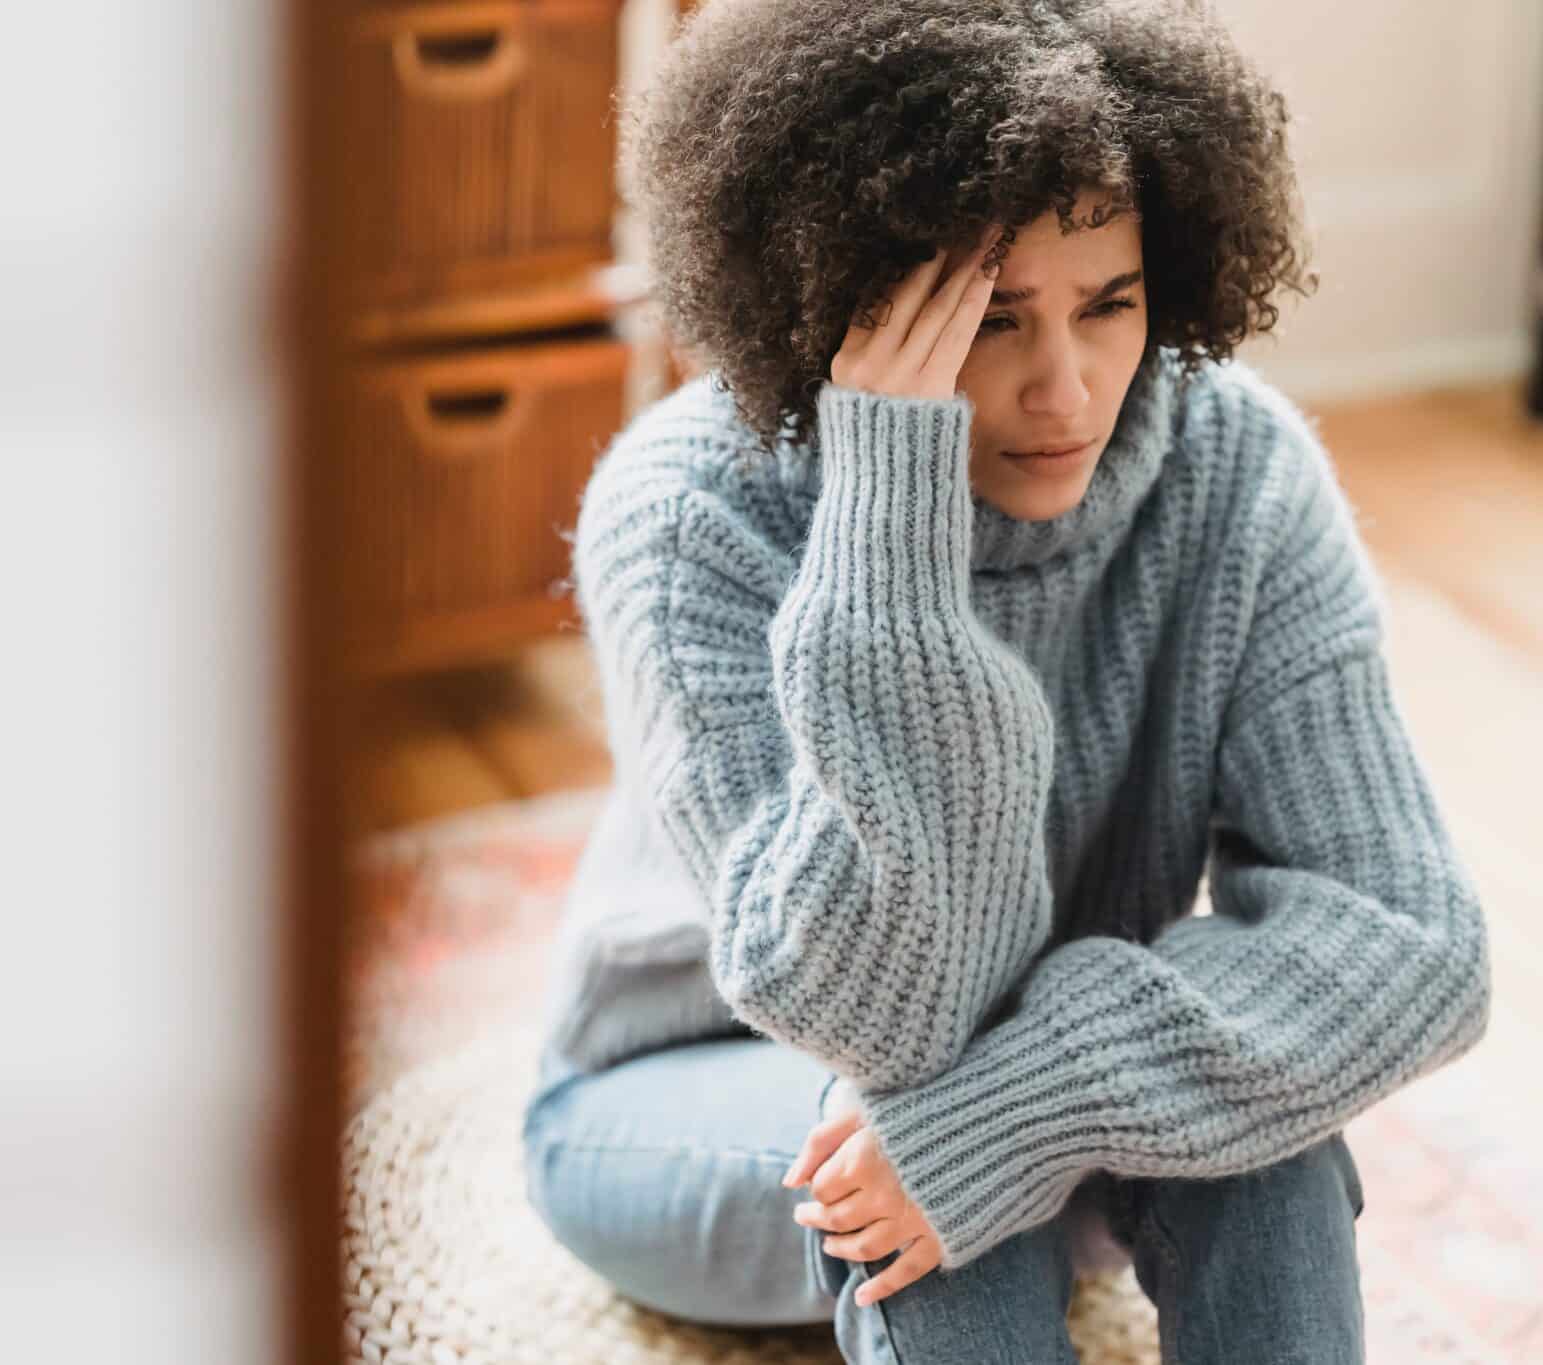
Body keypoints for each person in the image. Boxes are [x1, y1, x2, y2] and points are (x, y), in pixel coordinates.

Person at [520, 0, 1492, 1359]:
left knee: (1250, 1139)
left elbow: (1412, 938)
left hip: (1017, 1065)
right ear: (843, 303)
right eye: (989, 321)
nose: (1067, 390)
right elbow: (877, 1013)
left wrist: (1032, 1103)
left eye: (1111, 305)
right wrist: (887, 531)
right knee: (912, 1170)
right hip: (692, 1082)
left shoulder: (1237, 473)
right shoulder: (691, 515)